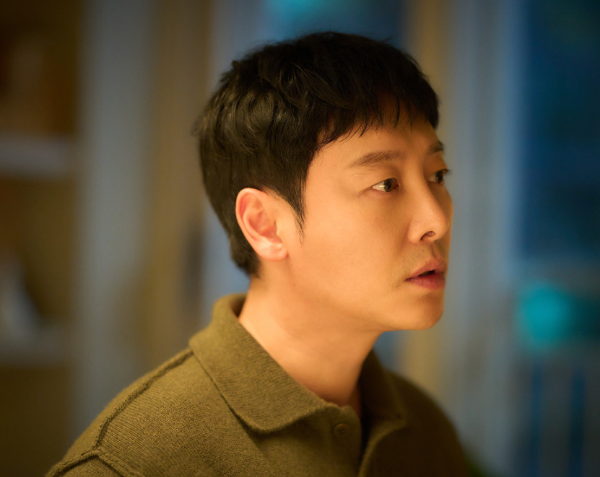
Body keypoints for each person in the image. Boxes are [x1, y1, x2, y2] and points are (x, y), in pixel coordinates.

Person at [48, 32, 468, 476]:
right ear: (264, 225)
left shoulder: (426, 430)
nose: (436, 221)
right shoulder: (132, 463)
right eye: (385, 184)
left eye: (437, 175)